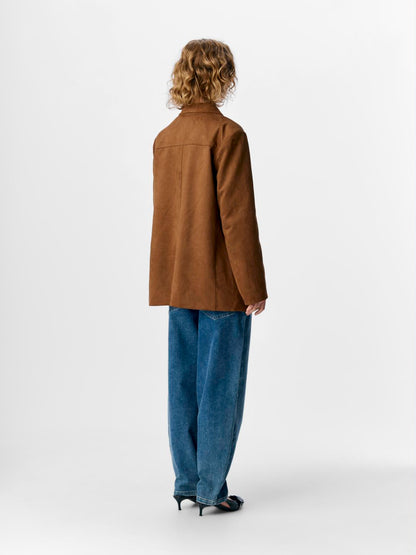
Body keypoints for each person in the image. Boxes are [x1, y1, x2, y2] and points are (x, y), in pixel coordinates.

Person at [149, 38, 268, 516]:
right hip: (221, 282)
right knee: (219, 387)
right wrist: (253, 286)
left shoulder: (165, 138)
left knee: (182, 384)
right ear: (223, 76)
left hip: (178, 279)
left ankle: (187, 481)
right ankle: (211, 489)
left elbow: (167, 216)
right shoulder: (228, 134)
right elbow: (237, 218)